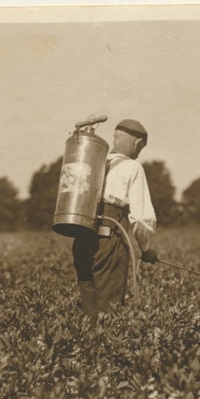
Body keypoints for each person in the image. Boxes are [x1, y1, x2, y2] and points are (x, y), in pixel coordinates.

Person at [72, 118, 158, 322]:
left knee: (88, 300)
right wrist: (146, 250)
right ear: (137, 143)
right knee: (108, 307)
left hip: (81, 235)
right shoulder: (132, 167)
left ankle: (87, 346)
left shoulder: (93, 161)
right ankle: (106, 347)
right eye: (140, 148)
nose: (139, 153)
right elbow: (140, 218)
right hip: (109, 238)